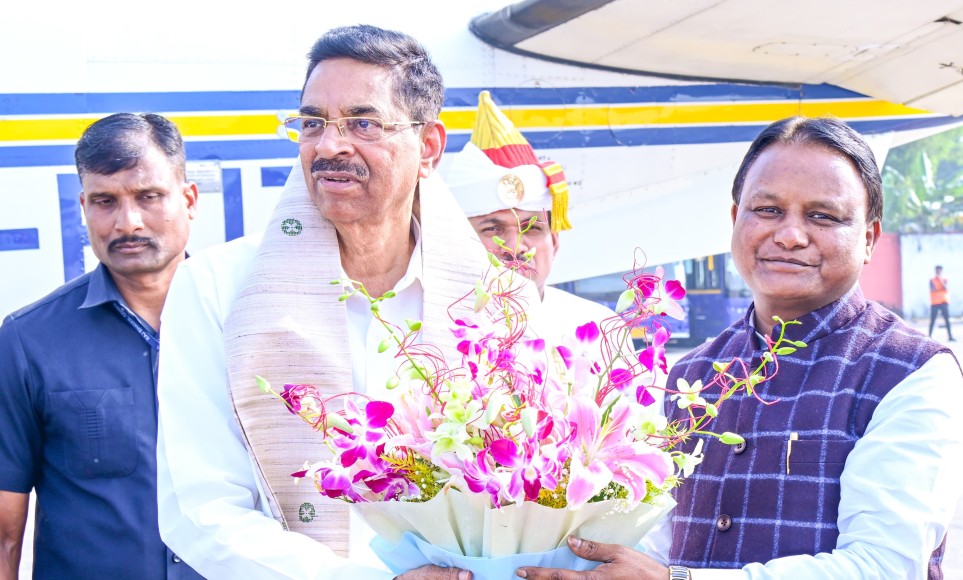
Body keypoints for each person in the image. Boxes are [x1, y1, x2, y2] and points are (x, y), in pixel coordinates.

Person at [517, 117, 963, 579]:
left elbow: (883, 567)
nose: (790, 235)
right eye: (768, 210)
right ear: (736, 219)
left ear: (869, 239)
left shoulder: (910, 373)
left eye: (822, 216)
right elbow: (653, 540)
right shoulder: (691, 375)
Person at [154, 25, 498, 579]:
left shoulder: (494, 303)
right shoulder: (217, 287)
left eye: (363, 123)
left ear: (429, 147)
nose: (329, 146)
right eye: (312, 123)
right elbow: (201, 509)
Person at [0, 113, 201, 578]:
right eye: (105, 201)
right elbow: (4, 534)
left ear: (189, 200)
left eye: (148, 196)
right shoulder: (28, 342)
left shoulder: (245, 324)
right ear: (83, 207)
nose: (128, 222)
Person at [446, 90, 616, 338]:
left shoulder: (600, 329)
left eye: (532, 228)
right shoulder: (437, 332)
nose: (515, 248)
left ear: (554, 242)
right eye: (492, 229)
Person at [929, 265, 955, 341]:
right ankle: (929, 336)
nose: (938, 272)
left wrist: (940, 280)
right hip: (935, 302)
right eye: (936, 270)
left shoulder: (944, 279)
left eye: (939, 270)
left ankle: (950, 336)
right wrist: (940, 288)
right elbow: (932, 289)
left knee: (947, 319)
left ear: (941, 271)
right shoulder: (932, 280)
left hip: (944, 302)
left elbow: (945, 287)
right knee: (932, 320)